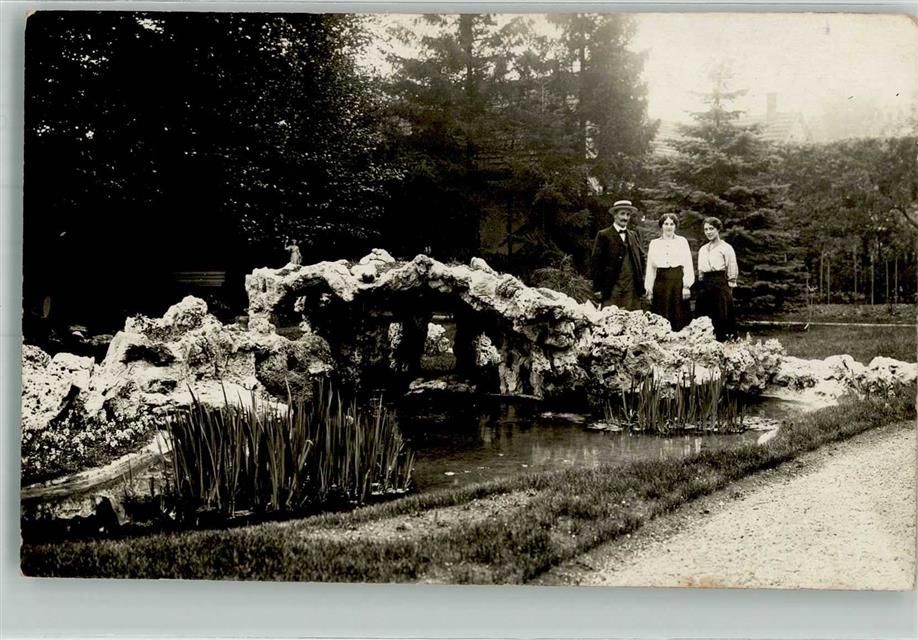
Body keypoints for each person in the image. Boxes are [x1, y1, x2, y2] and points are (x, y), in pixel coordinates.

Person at [591, 199, 646, 311]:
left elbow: (641, 258)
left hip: (631, 288)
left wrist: (640, 279)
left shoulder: (633, 235)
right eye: (622, 214)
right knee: (609, 318)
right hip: (611, 287)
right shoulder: (603, 235)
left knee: (632, 318)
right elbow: (596, 263)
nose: (625, 218)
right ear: (615, 215)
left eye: (628, 215)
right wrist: (597, 288)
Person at [644, 213, 694, 331]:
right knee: (661, 314)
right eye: (666, 224)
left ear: (675, 226)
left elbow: (688, 264)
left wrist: (686, 286)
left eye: (672, 224)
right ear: (661, 226)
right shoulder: (654, 243)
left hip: (677, 281)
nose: (669, 227)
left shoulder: (682, 241)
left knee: (678, 313)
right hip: (661, 282)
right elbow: (650, 268)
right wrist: (649, 289)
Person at [696, 217, 738, 341]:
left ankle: (724, 343)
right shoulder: (703, 249)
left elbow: (732, 267)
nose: (708, 232)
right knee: (704, 317)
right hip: (705, 286)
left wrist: (730, 286)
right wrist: (701, 285)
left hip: (720, 284)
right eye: (706, 229)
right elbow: (700, 270)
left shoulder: (726, 248)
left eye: (711, 229)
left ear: (718, 229)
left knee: (721, 315)